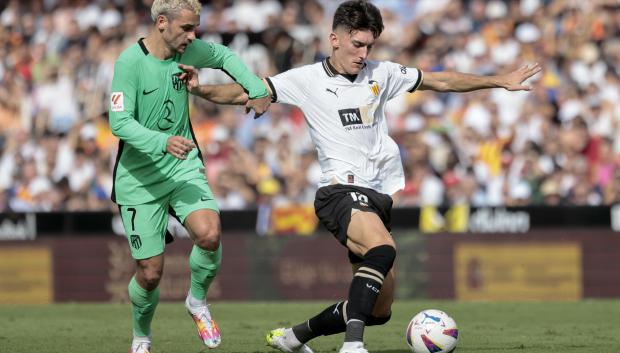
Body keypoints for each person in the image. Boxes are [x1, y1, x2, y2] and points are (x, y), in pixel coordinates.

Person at [191, 1, 541, 352]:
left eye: (369, 46)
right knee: (383, 248)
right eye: (357, 44)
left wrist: (498, 80)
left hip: (377, 197)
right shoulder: (306, 80)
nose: (363, 53)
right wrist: (198, 88)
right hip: (338, 191)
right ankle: (353, 346)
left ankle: (294, 337)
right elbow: (244, 91)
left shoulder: (382, 73)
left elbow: (440, 80)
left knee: (379, 309)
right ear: (335, 39)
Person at [108, 1, 271, 353]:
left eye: (195, 28)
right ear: (162, 23)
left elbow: (225, 56)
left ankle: (197, 302)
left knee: (210, 234)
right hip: (138, 179)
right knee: (150, 274)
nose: (193, 36)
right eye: (186, 28)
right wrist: (162, 141)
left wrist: (256, 89)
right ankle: (141, 337)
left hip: (182, 165)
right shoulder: (129, 62)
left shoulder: (190, 50)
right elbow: (119, 123)